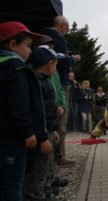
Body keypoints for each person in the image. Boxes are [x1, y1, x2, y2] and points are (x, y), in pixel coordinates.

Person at [0, 21, 43, 201]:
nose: (30, 51)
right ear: (12, 44)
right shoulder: (16, 69)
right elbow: (19, 105)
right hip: (13, 136)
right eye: (27, 46)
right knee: (12, 185)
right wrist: (28, 132)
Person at [26, 45, 63, 200]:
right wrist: (44, 136)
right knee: (40, 171)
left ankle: (47, 194)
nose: (56, 68)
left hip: (46, 132)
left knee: (47, 168)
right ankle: (37, 196)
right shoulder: (41, 84)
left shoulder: (36, 81)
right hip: (42, 134)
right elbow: (41, 113)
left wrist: (53, 130)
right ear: (49, 64)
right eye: (56, 64)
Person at [43, 16, 81, 166]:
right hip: (60, 81)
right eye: (67, 28)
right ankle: (59, 156)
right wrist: (74, 59)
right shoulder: (58, 38)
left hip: (52, 80)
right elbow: (62, 61)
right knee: (61, 120)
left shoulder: (46, 36)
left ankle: (52, 158)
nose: (67, 31)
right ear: (63, 26)